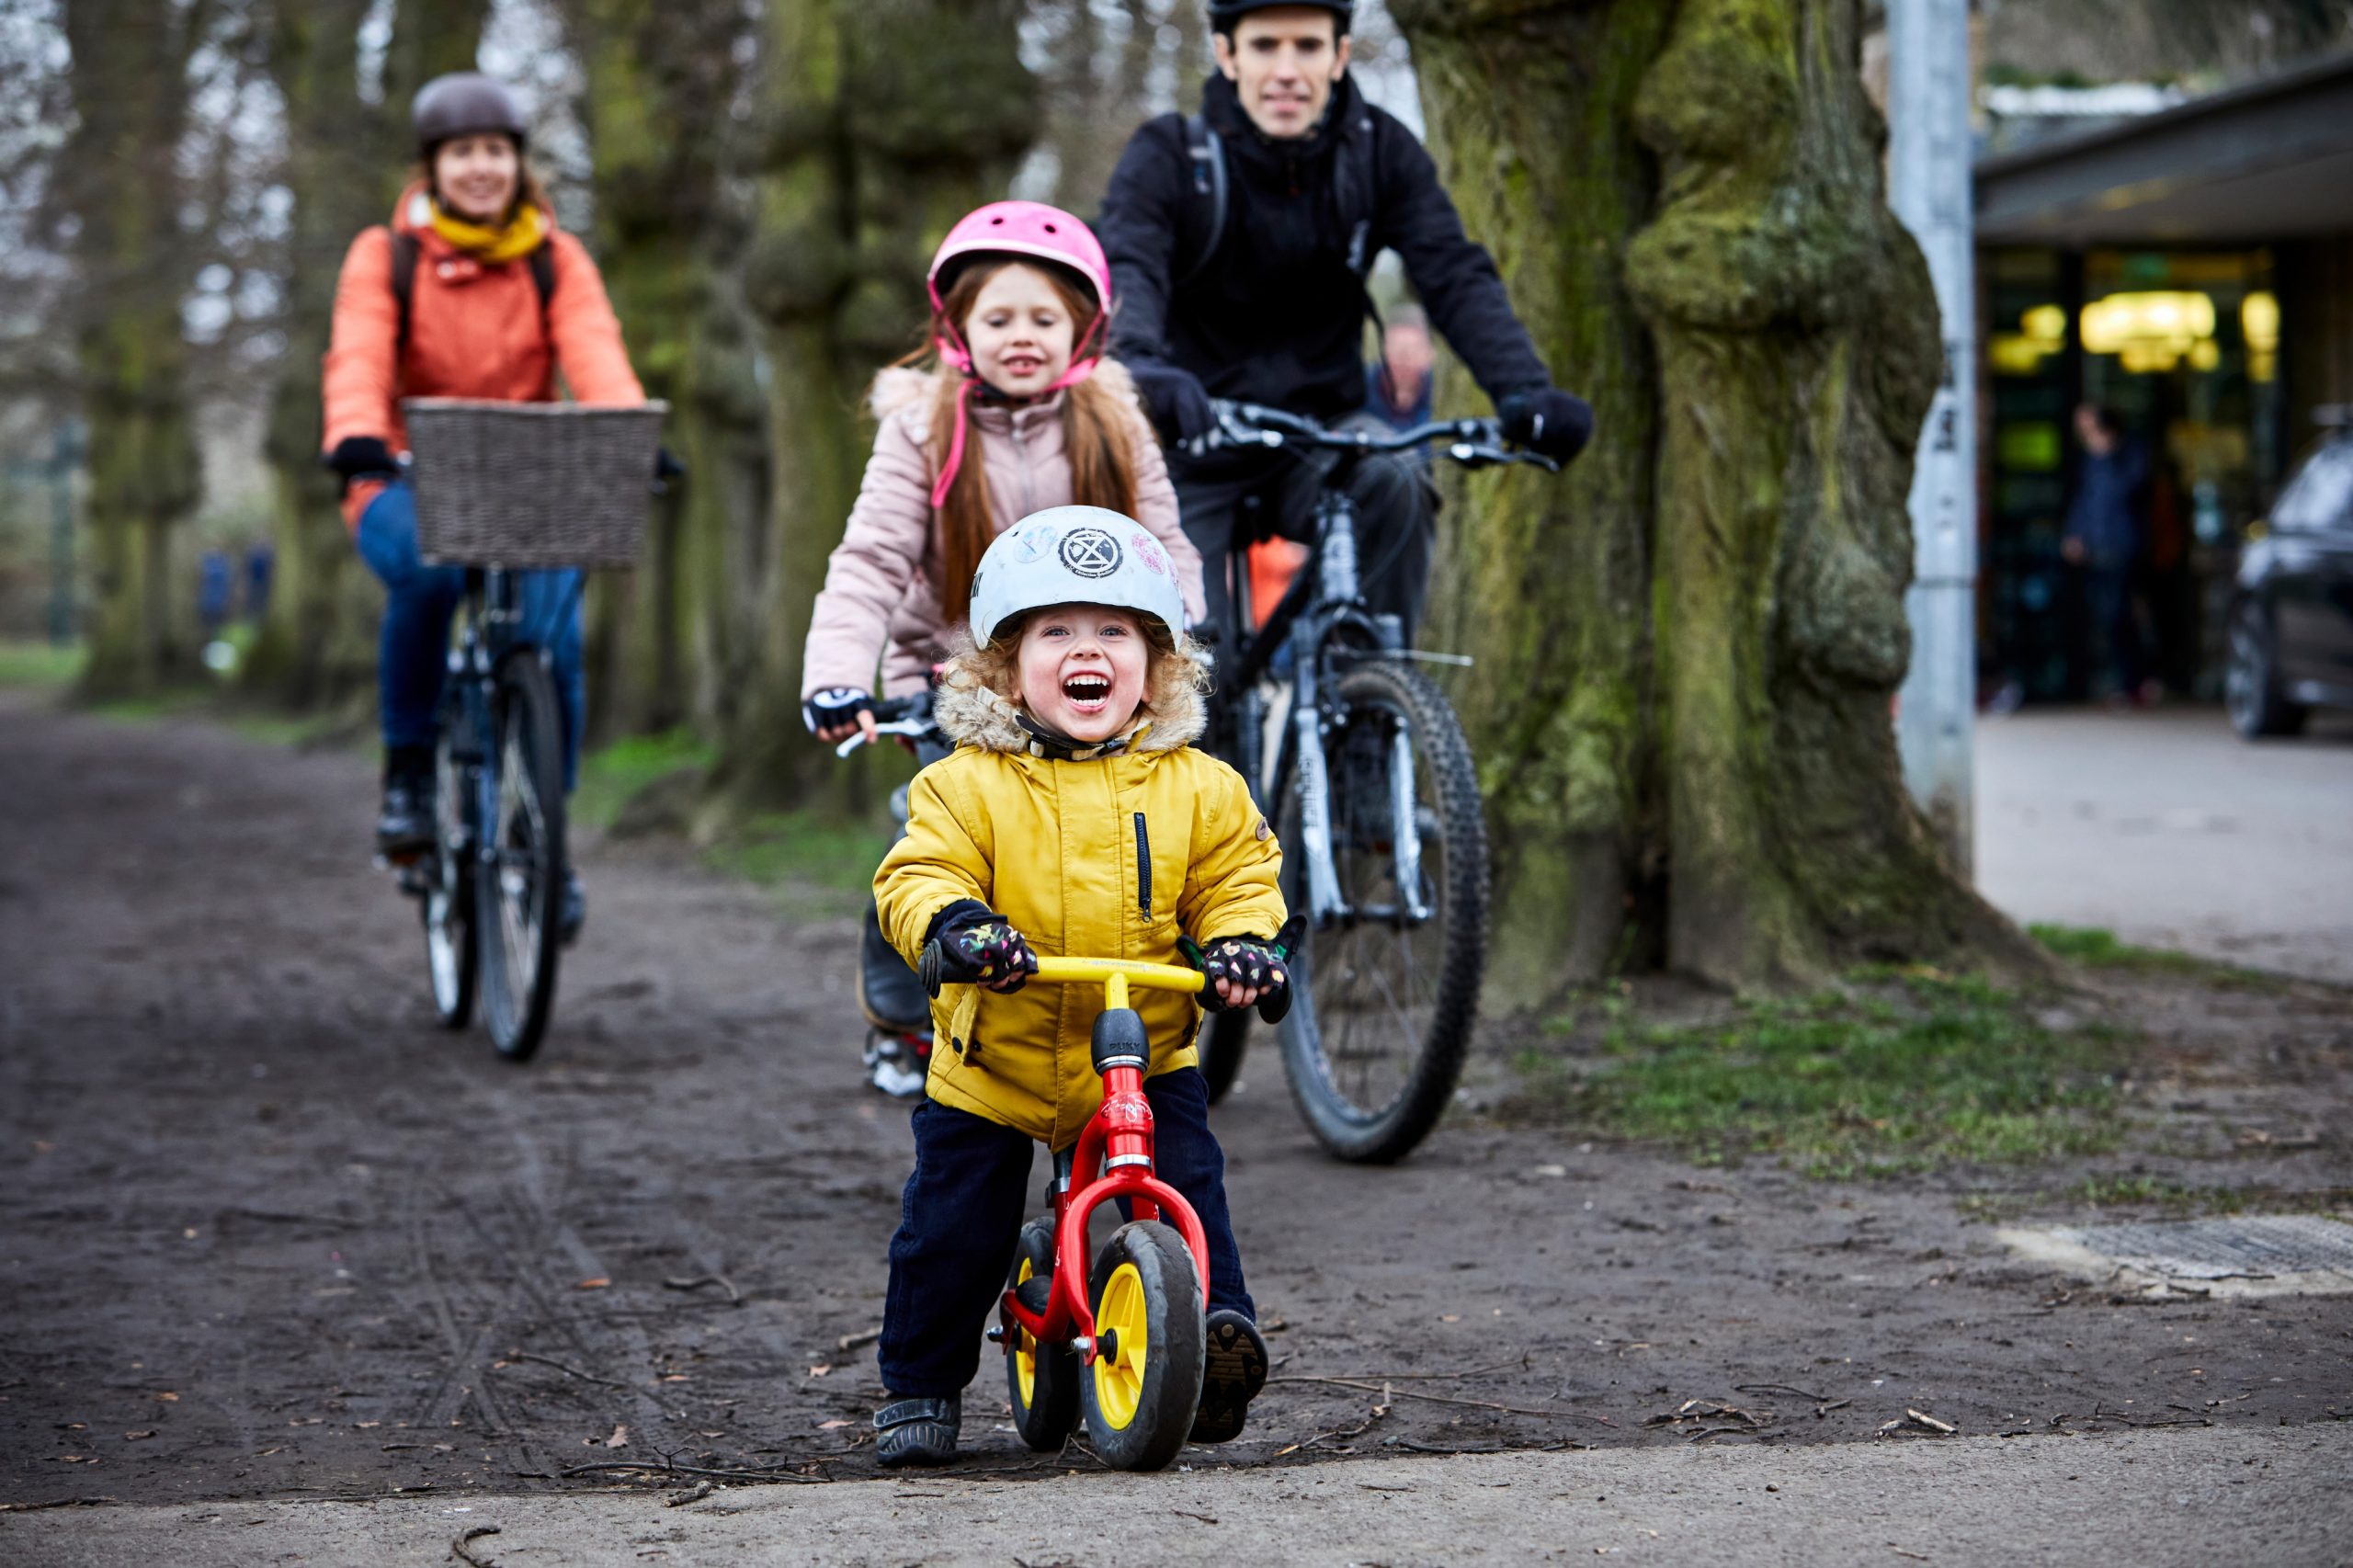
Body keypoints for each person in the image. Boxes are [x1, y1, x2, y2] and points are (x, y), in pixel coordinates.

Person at [867, 504, 1287, 1467]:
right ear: (1006, 667)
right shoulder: (964, 784)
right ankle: (920, 1382)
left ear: (1157, 663)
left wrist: (1241, 946)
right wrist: (958, 928)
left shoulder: (1199, 785)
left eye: (1115, 632)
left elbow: (1240, 876)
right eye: (1055, 630)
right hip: (996, 1062)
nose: (1085, 650)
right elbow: (917, 873)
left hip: (1145, 1051)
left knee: (1189, 1185)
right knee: (952, 1230)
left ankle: (1211, 1333)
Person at [801, 201, 1206, 1097]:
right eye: (998, 318)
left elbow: (1166, 544)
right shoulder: (922, 428)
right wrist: (836, 676)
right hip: (958, 681)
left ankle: (1118, 1022)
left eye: (1043, 319)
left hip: (1095, 674)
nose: (1021, 336)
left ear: (1082, 330)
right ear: (958, 329)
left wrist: (1177, 655)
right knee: (936, 837)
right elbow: (870, 557)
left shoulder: (1115, 422)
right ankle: (901, 1013)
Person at [1095, 0, 1593, 644]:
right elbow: (1130, 263)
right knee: (1183, 662)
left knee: (1398, 483)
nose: (1286, 69)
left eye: (1307, 46)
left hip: (1321, 433)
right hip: (1193, 435)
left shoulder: (1379, 151)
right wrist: (1142, 369)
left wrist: (1523, 387)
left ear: (1339, 56)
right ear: (1227, 54)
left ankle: (1373, 707)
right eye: (1265, 45)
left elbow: (1452, 272)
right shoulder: (1171, 153)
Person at [321, 72, 647, 941]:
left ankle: (545, 837)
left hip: (526, 482)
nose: (479, 167)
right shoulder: (384, 255)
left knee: (555, 642)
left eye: (494, 151)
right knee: (427, 576)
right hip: (401, 473)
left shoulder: (554, 257)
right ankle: (407, 781)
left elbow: (596, 353)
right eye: (462, 152)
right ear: (433, 166)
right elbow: (357, 354)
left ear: (517, 163)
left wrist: (625, 435)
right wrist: (355, 435)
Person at [2062, 403, 2151, 704]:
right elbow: (2085, 499)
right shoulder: (2091, 459)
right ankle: (2125, 681)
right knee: (2105, 615)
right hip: (2098, 547)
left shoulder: (2128, 452)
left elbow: (2130, 490)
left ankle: (2137, 681)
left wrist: (2108, 454)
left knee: (2121, 613)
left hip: (2125, 546)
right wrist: (2075, 534)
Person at [1363, 303, 1435, 435]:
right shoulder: (1355, 391)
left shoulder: (1440, 396)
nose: (1404, 359)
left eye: (1412, 351)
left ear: (1429, 355)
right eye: (1397, 349)